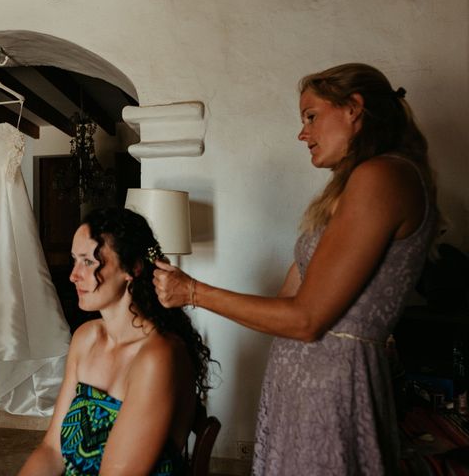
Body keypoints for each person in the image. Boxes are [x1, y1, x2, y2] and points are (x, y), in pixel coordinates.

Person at [153, 63, 440, 475]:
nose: (302, 133)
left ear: (354, 109)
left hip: (334, 385)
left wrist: (194, 292)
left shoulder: (383, 176)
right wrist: (186, 289)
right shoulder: (350, 187)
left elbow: (306, 320)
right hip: (301, 382)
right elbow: (285, 306)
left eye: (311, 116)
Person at [18, 207, 214, 476]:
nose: (74, 275)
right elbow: (52, 450)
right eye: (74, 260)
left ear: (132, 267)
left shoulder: (158, 356)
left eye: (88, 262)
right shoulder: (85, 338)